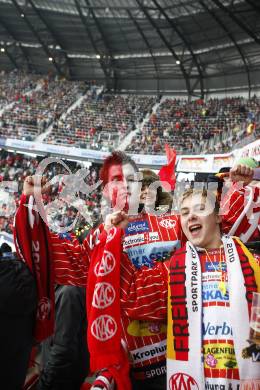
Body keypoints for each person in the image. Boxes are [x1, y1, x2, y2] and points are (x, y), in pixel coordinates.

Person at [14, 152, 256, 390]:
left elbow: (219, 230)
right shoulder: (102, 237)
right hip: (133, 371)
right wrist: (31, 204)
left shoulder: (174, 221)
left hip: (187, 360)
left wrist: (240, 185)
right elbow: (66, 262)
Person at [98, 187, 260, 389]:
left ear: (218, 217)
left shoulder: (253, 264)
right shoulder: (173, 270)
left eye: (200, 209)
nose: (191, 216)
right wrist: (114, 237)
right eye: (184, 213)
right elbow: (132, 296)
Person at [38, 285, 89, 390]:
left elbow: (63, 350)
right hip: (58, 373)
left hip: (60, 378)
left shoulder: (68, 293)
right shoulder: (61, 287)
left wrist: (45, 383)